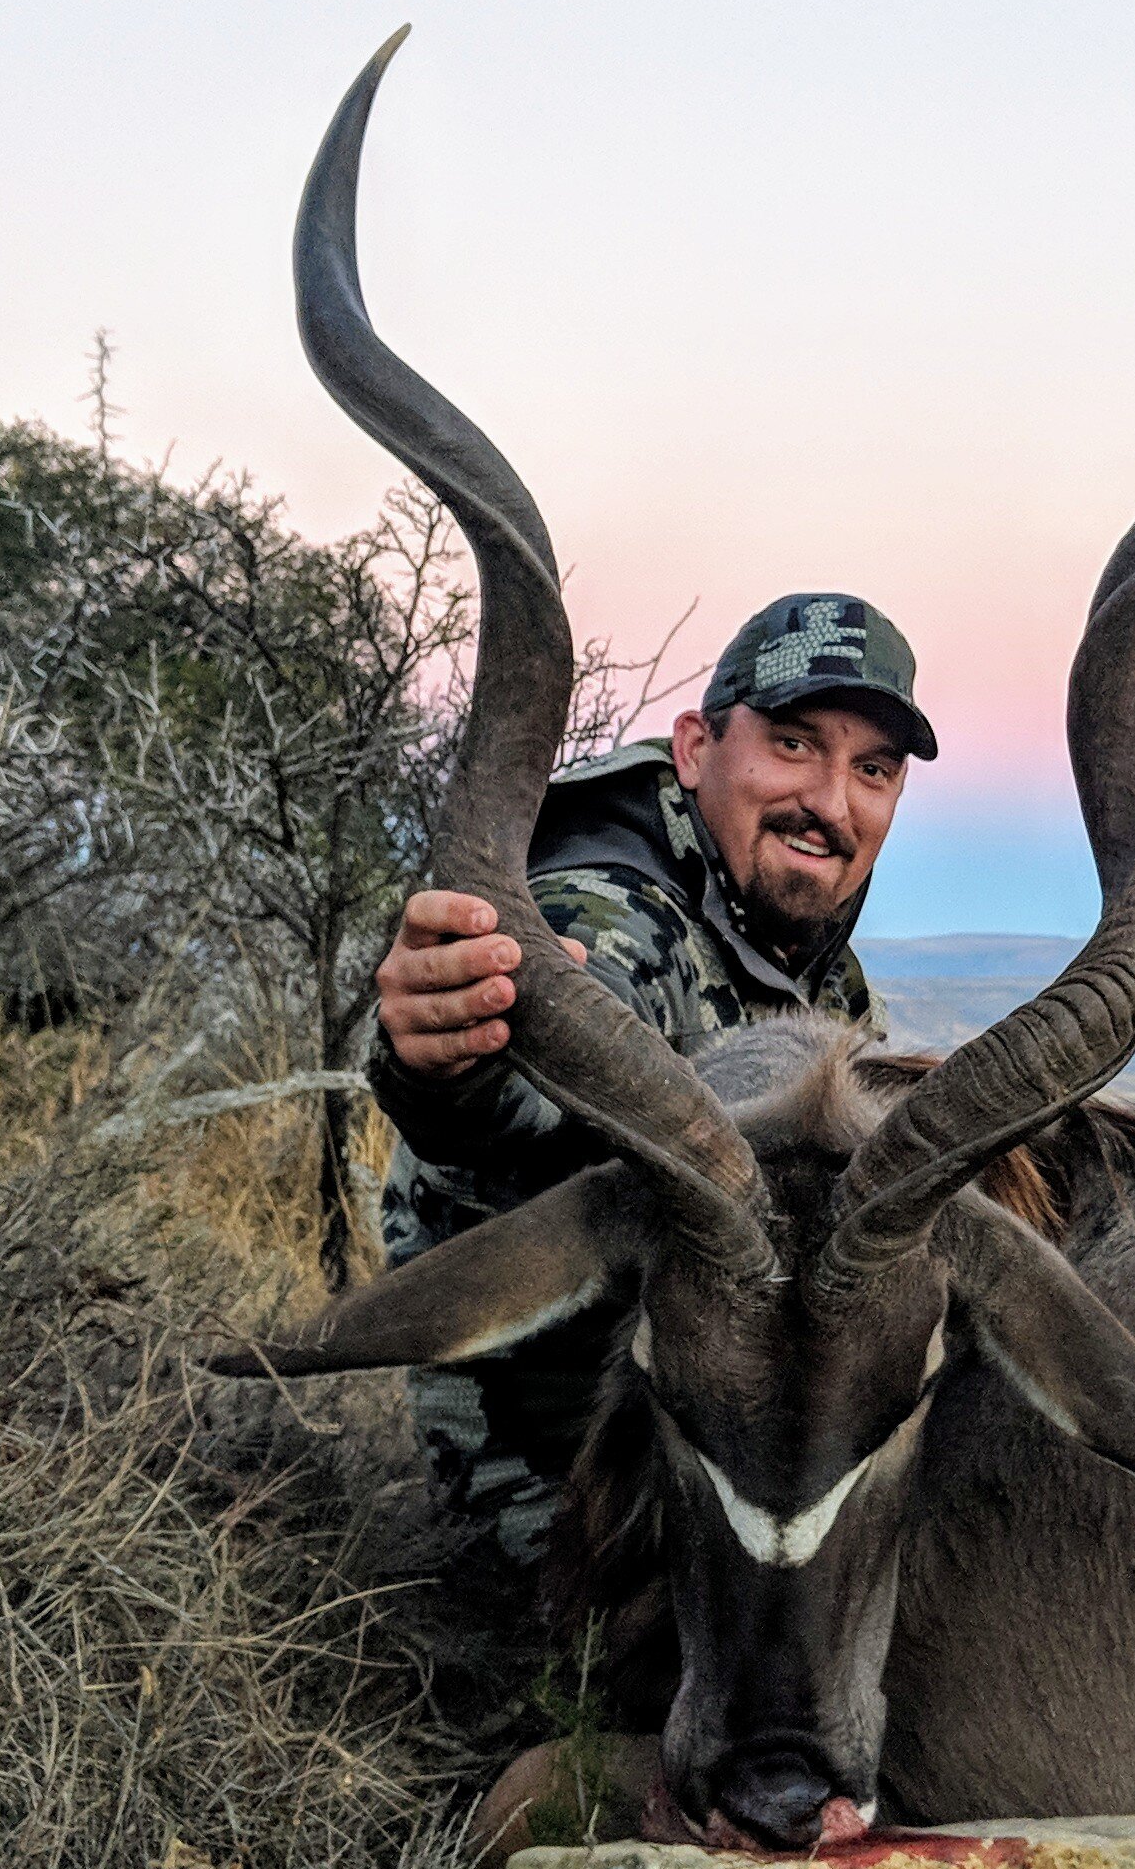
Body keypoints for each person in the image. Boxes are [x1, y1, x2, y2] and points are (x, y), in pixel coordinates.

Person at [366, 591, 935, 1615]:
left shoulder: (828, 982)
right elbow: (524, 1102)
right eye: (794, 744)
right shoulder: (607, 915)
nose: (832, 802)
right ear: (692, 748)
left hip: (738, 1436)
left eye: (873, 770)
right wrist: (445, 1062)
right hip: (556, 1482)